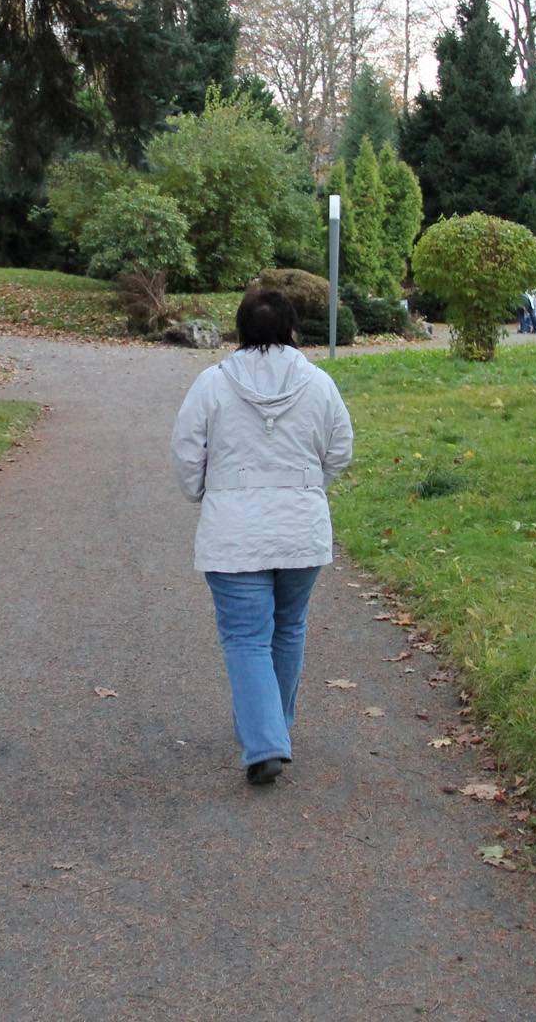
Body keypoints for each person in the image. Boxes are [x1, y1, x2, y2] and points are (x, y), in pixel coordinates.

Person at [171, 287, 354, 786]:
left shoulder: (211, 385)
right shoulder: (319, 384)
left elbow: (188, 454)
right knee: (289, 627)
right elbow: (340, 448)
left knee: (246, 638)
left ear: (240, 330)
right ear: (292, 330)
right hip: (301, 529)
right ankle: (274, 728)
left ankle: (265, 739)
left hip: (235, 534)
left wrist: (202, 492)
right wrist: (308, 487)